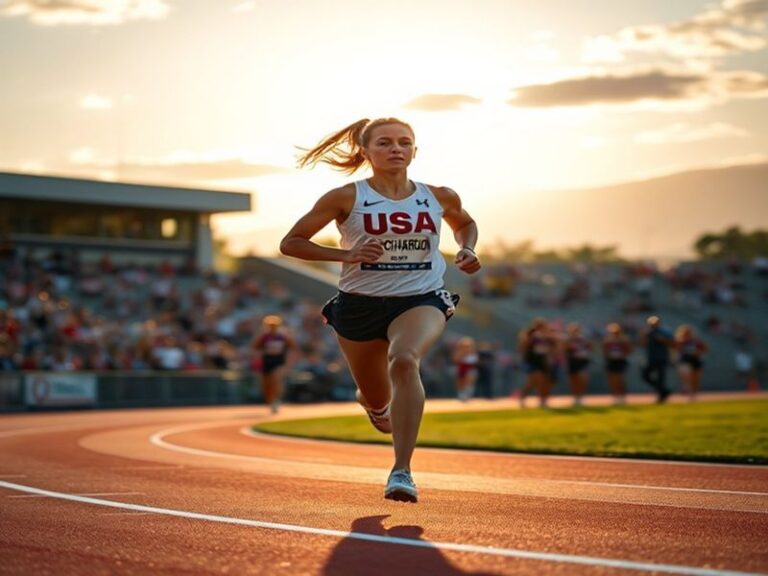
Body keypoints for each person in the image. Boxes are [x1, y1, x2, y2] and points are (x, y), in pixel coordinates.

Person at [280, 117, 481, 503]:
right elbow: (291, 243)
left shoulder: (438, 195)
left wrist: (468, 248)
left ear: (415, 151)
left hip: (420, 297)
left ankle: (401, 471)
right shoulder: (345, 197)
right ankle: (373, 404)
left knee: (404, 360)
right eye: (385, 143)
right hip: (359, 305)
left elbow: (465, 223)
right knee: (378, 401)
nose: (396, 149)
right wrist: (346, 254)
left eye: (404, 143)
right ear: (367, 152)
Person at [251, 315, 294, 414]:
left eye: (274, 325)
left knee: (276, 379)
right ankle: (271, 401)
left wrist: (289, 361)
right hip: (267, 362)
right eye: (270, 326)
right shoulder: (264, 336)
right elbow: (254, 346)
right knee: (267, 384)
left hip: (278, 361)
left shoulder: (283, 336)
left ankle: (277, 400)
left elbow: (292, 347)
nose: (272, 328)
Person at [517, 318, 555, 408]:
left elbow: (552, 346)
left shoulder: (547, 335)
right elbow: (523, 346)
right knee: (535, 380)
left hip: (543, 360)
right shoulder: (530, 335)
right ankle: (524, 397)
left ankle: (542, 400)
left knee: (542, 381)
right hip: (533, 360)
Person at [640, 315, 674, 403]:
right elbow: (643, 344)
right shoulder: (648, 332)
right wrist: (643, 336)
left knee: (661, 377)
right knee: (645, 375)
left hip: (661, 357)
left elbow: (673, 343)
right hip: (650, 357)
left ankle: (661, 397)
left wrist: (662, 340)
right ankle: (663, 390)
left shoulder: (665, 332)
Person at [674, 324, 707, 402]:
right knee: (685, 372)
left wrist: (697, 352)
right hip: (684, 360)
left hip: (695, 360)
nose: (687, 334)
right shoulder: (679, 341)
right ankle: (685, 386)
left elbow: (704, 349)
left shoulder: (696, 341)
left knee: (695, 380)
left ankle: (693, 396)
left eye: (688, 333)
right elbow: (675, 350)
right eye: (685, 333)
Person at [602, 323, 632, 405]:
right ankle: (615, 397)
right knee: (612, 380)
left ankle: (622, 397)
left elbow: (629, 349)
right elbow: (604, 351)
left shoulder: (624, 340)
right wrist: (609, 355)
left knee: (620, 379)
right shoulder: (607, 340)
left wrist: (622, 355)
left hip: (620, 361)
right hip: (611, 361)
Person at [564, 322, 591, 407]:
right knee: (573, 380)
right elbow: (565, 349)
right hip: (572, 361)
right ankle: (576, 397)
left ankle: (580, 396)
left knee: (582, 379)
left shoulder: (584, 339)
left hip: (582, 360)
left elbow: (590, 347)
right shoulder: (568, 339)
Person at [452, 336, 478, 401]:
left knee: (470, 378)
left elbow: (475, 361)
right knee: (460, 382)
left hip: (469, 369)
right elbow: (455, 360)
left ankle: (468, 394)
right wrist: (463, 354)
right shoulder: (459, 352)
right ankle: (461, 395)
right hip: (460, 369)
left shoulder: (473, 352)